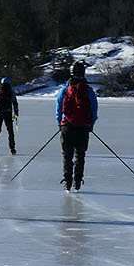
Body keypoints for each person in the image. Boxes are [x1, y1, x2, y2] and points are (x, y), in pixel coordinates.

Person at [56, 60, 99, 190]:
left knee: (67, 155)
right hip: (83, 127)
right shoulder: (89, 91)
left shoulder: (64, 90)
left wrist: (60, 123)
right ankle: (78, 181)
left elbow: (58, 109)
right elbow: (94, 109)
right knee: (80, 155)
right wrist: (90, 124)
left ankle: (67, 181)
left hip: (67, 127)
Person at [0, 76, 19, 154]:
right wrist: (16, 112)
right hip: (8, 113)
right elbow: (15, 103)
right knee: (10, 131)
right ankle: (12, 148)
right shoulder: (11, 92)